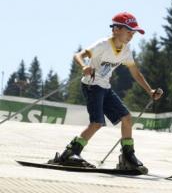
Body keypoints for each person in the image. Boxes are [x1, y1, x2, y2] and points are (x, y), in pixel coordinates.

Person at [50, 12, 163, 170]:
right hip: (92, 86)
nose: (131, 35)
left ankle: (127, 156)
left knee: (127, 118)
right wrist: (84, 66)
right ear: (116, 29)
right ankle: (70, 153)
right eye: (129, 31)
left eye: (133, 32)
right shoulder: (103, 45)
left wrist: (149, 90)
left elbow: (136, 73)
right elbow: (78, 55)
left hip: (105, 88)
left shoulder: (126, 50)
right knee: (97, 123)